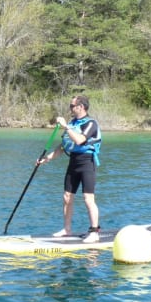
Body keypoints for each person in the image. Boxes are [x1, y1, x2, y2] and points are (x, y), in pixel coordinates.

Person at [37, 94, 102, 242]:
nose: (70, 108)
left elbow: (79, 140)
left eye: (72, 106)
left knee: (88, 198)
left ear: (81, 107)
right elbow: (63, 146)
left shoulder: (91, 124)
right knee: (67, 197)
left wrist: (66, 126)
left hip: (87, 162)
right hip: (73, 162)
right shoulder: (73, 123)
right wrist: (46, 159)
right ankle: (66, 229)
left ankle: (94, 232)